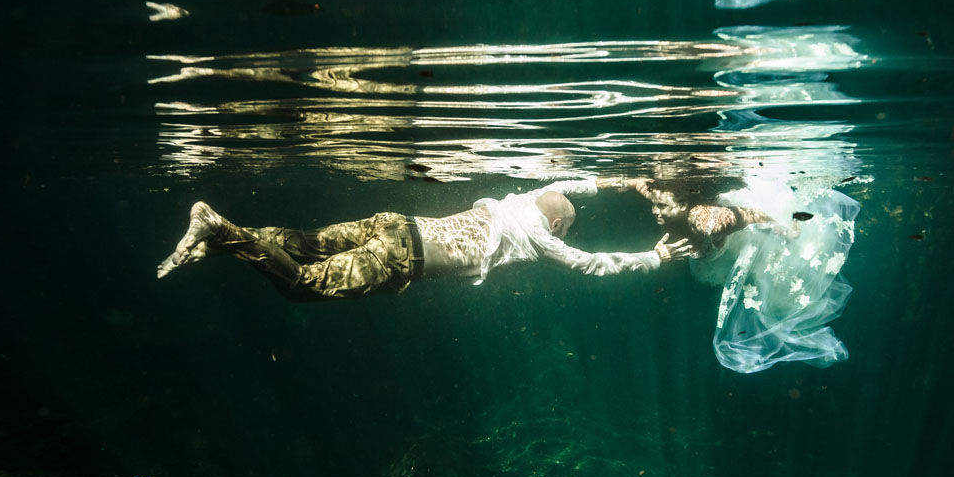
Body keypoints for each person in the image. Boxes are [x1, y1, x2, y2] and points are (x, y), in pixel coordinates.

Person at [157, 178, 694, 300]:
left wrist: (618, 182)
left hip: (394, 223)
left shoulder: (521, 200)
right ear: (557, 226)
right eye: (567, 230)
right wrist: (653, 256)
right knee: (303, 284)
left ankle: (221, 237)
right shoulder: (539, 236)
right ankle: (221, 229)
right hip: (402, 255)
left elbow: (563, 185)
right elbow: (591, 265)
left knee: (304, 241)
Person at [626, 175, 859, 374]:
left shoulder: (713, 222)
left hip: (743, 216)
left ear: (683, 203)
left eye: (662, 207)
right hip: (718, 232)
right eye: (654, 206)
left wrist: (782, 228)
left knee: (773, 276)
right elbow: (635, 184)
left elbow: (752, 214)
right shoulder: (659, 195)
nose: (655, 211)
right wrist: (603, 183)